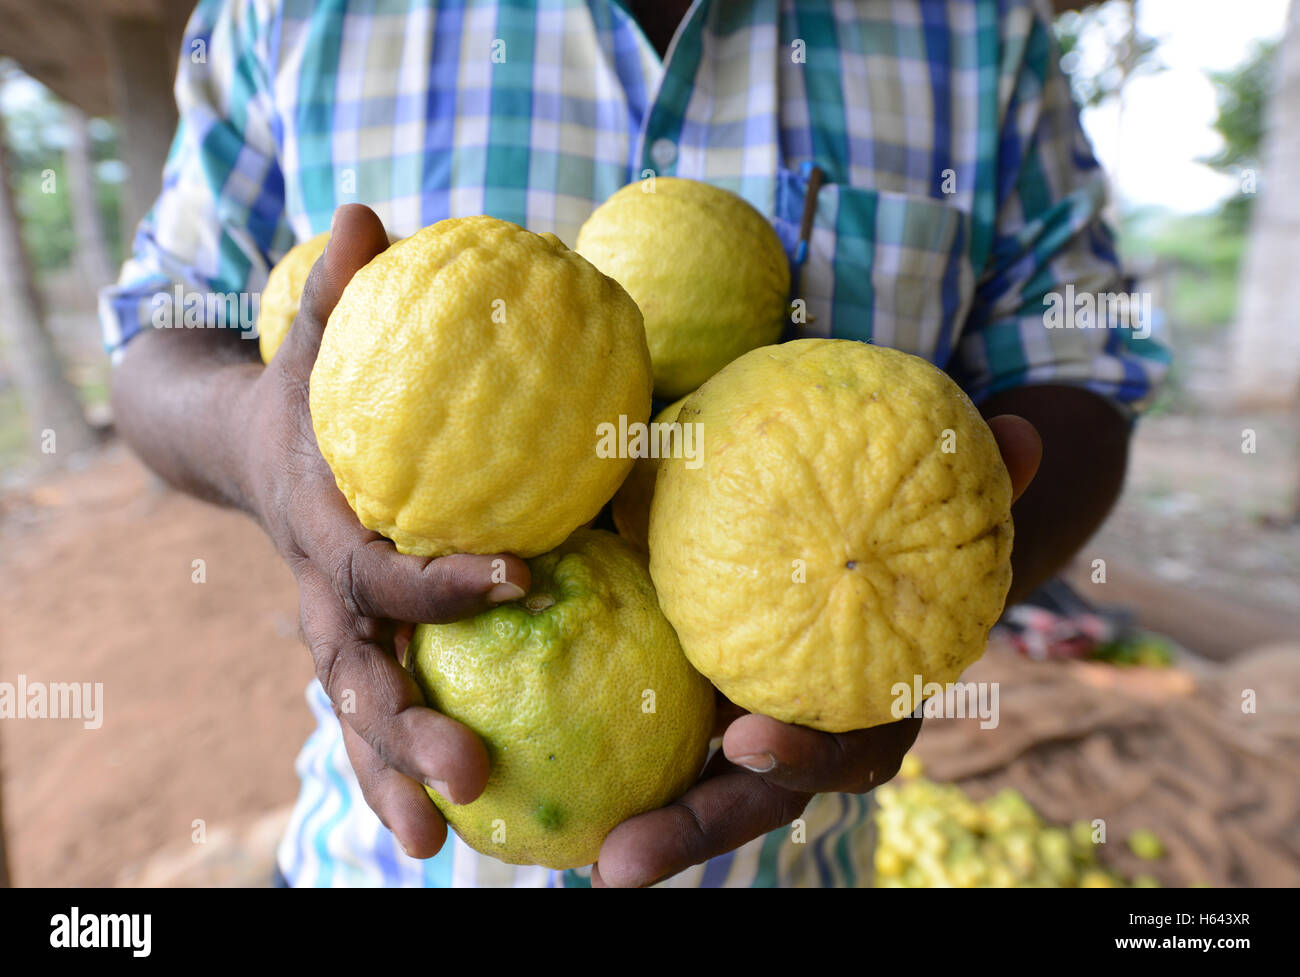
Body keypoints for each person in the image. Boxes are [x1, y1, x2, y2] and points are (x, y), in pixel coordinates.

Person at [102, 0, 1168, 887]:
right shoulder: (285, 16)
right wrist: (266, 450)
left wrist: (927, 605)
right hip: (369, 853)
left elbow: (1082, 367)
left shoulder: (978, 31)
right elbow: (159, 333)